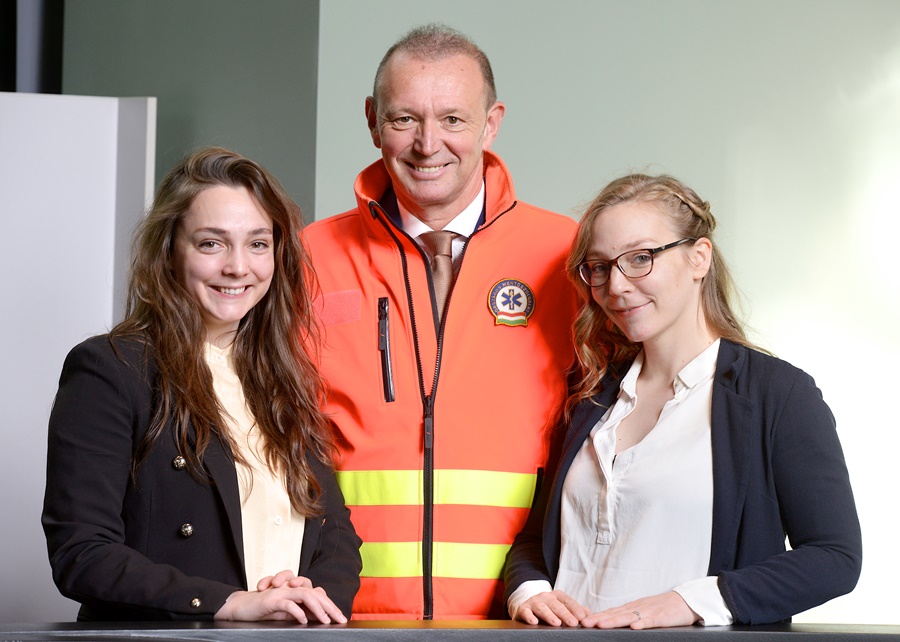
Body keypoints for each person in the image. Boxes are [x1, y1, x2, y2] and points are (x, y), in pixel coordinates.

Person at [303, 24, 578, 619]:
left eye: (453, 119)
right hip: (342, 616)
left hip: (526, 616)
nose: (428, 144)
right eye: (405, 119)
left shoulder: (567, 254)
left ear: (492, 122)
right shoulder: (307, 257)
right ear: (373, 120)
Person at [504, 174, 862, 628]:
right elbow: (536, 540)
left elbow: (834, 557)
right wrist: (529, 591)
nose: (616, 286)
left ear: (699, 257)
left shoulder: (777, 395)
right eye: (599, 266)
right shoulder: (590, 395)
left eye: (640, 258)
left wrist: (690, 602)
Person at [42, 147, 362, 622]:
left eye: (258, 244)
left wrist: (308, 598)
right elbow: (82, 552)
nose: (238, 267)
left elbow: (336, 535)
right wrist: (227, 603)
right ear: (169, 251)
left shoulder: (286, 377)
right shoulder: (111, 369)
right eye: (212, 243)